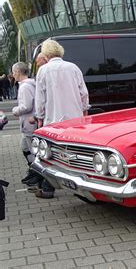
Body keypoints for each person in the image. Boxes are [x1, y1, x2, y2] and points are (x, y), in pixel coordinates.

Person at [34, 39, 90, 199]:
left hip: (53, 119)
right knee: (77, 152)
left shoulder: (43, 71)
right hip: (75, 118)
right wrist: (85, 111)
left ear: (46, 54)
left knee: (49, 154)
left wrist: (40, 116)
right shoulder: (73, 68)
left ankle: (48, 188)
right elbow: (83, 93)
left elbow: (40, 98)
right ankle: (82, 187)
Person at [11, 62, 41, 186]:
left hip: (29, 123)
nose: (13, 75)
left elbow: (26, 106)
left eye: (14, 73)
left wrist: (15, 110)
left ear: (18, 72)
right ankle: (33, 169)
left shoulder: (24, 87)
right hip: (29, 123)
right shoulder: (30, 85)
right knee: (25, 146)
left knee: (31, 148)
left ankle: (37, 173)